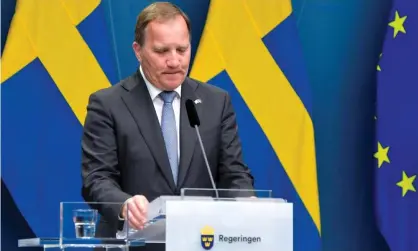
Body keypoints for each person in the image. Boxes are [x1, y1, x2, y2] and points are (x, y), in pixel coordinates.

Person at [81, 2, 254, 250]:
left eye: (182, 50)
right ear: (138, 51)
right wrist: (123, 205)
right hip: (132, 244)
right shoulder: (108, 104)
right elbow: (97, 179)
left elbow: (233, 174)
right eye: (162, 51)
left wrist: (246, 201)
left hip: (201, 243)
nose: (174, 61)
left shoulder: (216, 102)